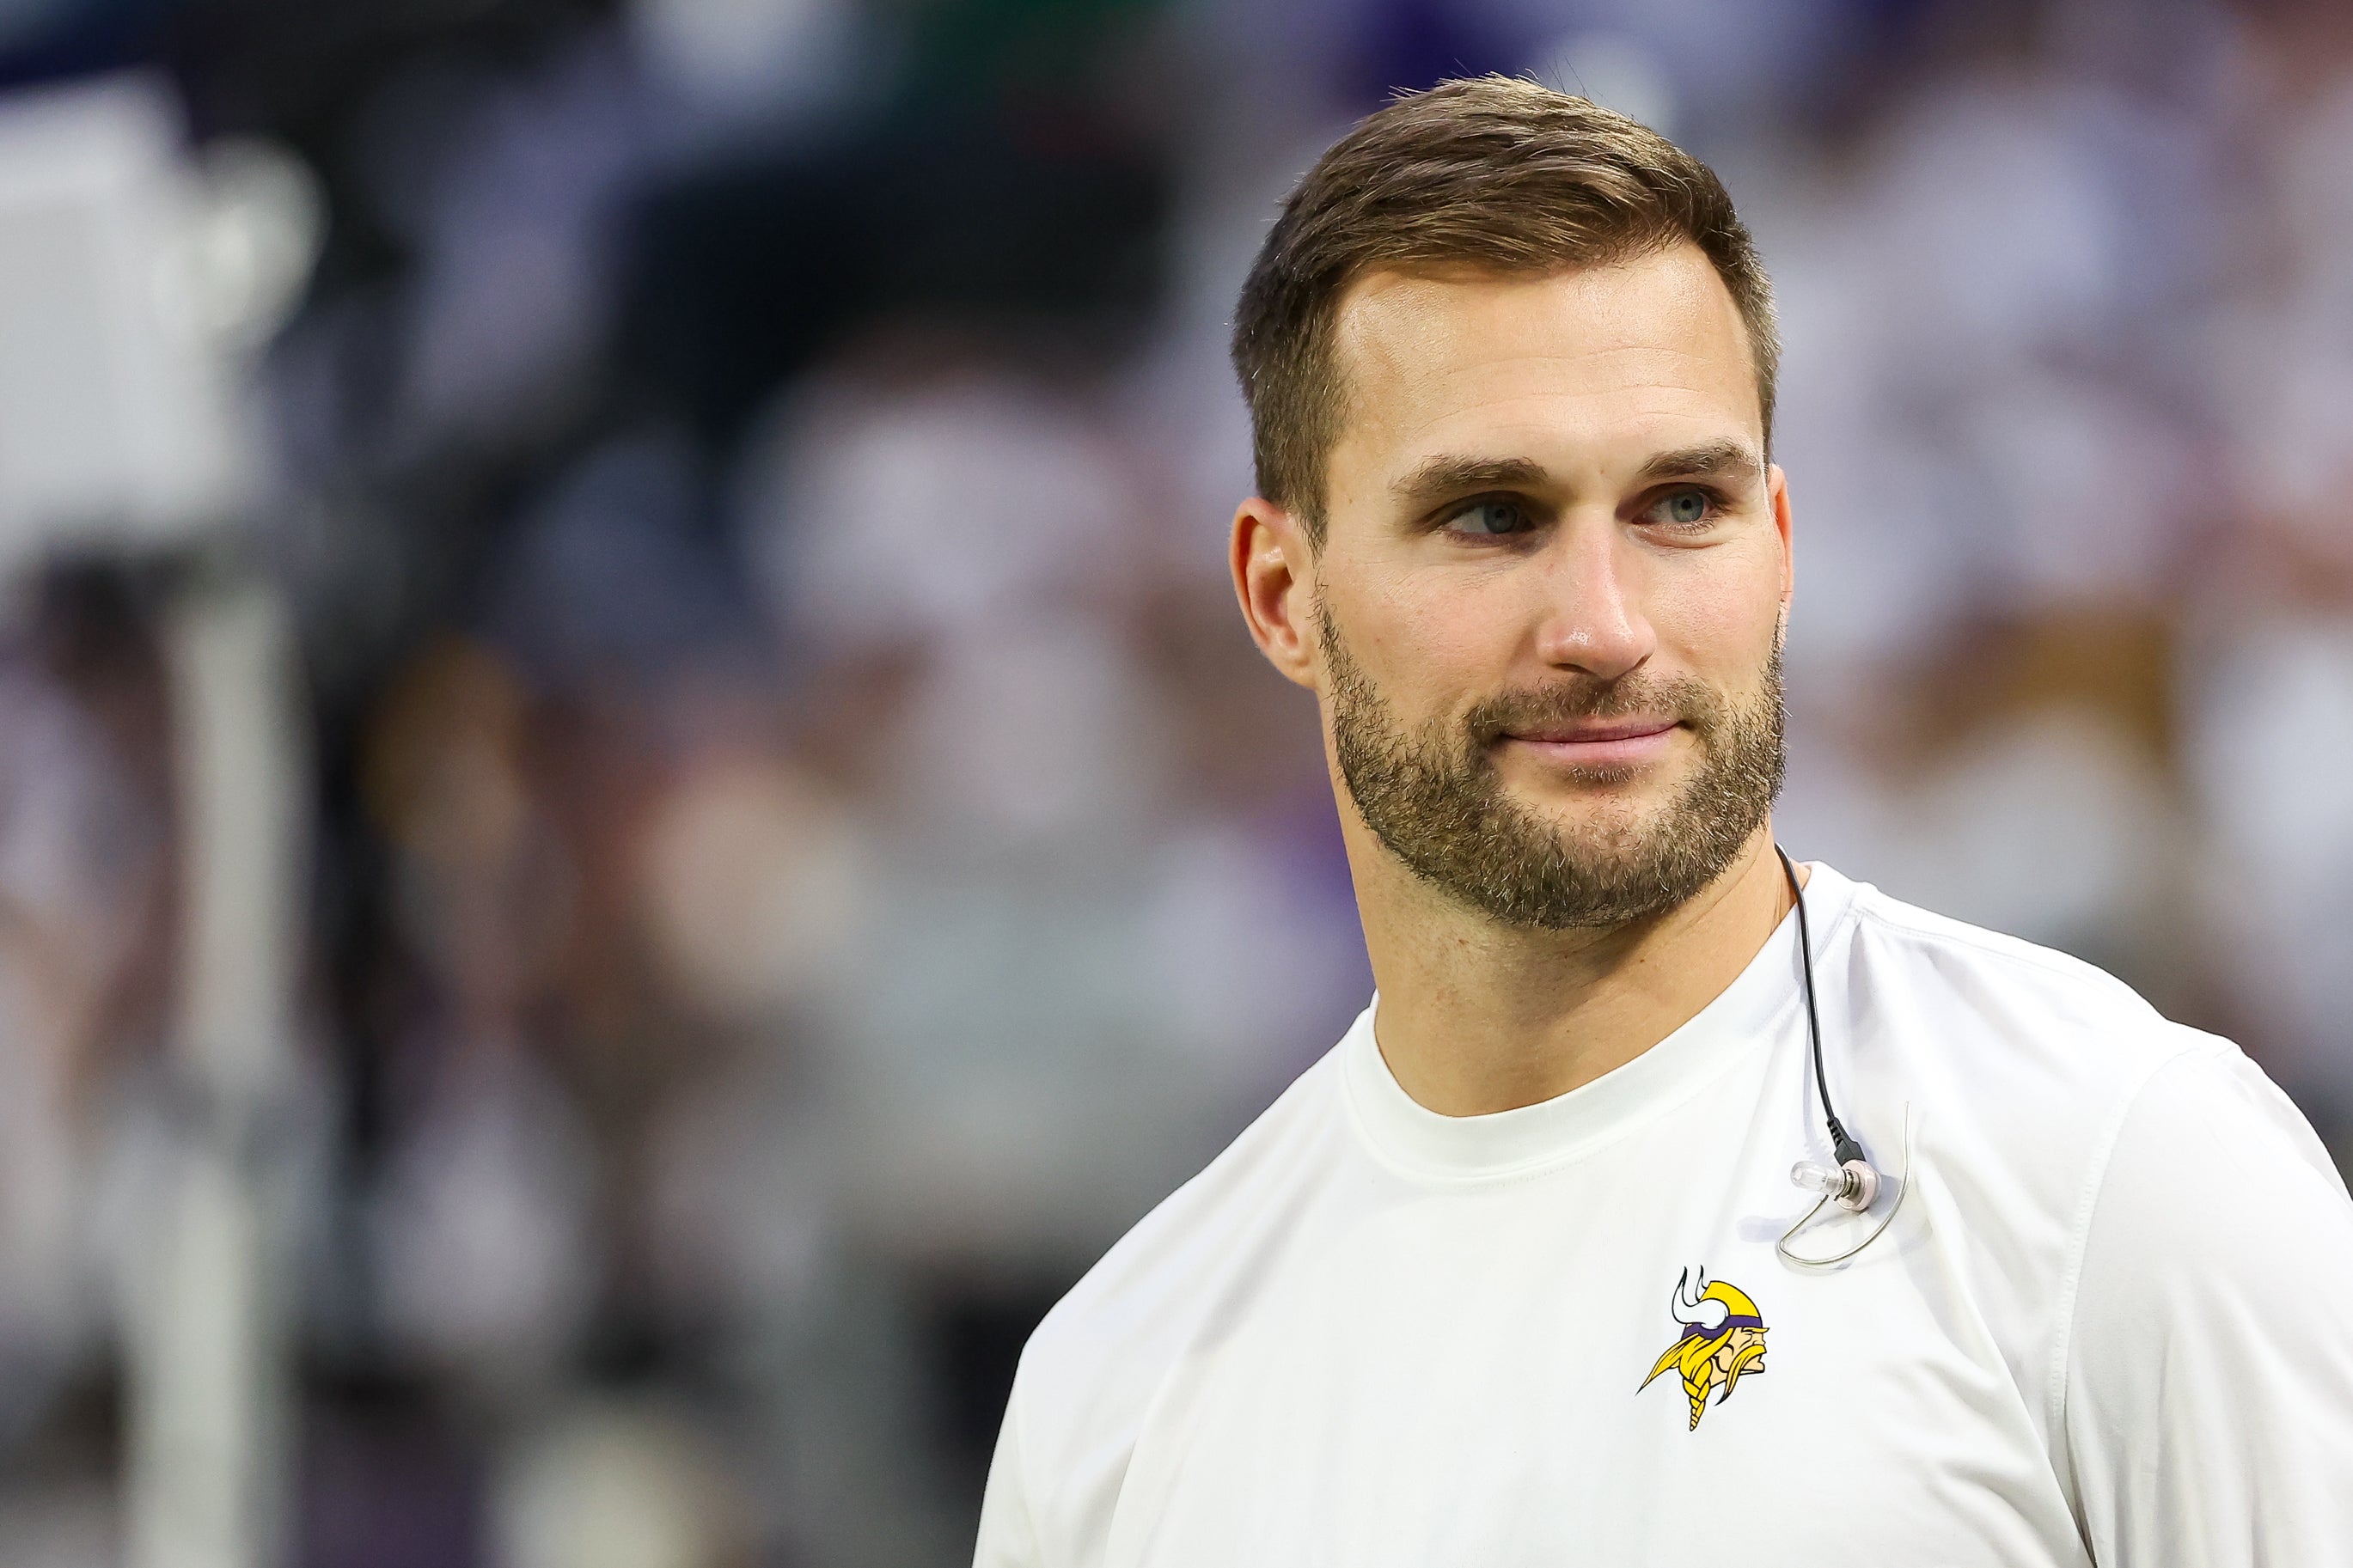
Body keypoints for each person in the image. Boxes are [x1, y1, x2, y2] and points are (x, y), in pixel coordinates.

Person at [970, 76, 2353, 1565]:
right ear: (1279, 593)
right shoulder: (1111, 1396)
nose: (1602, 626)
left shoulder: (2116, 1176)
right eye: (1492, 515)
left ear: (1778, 545)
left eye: (1679, 503)